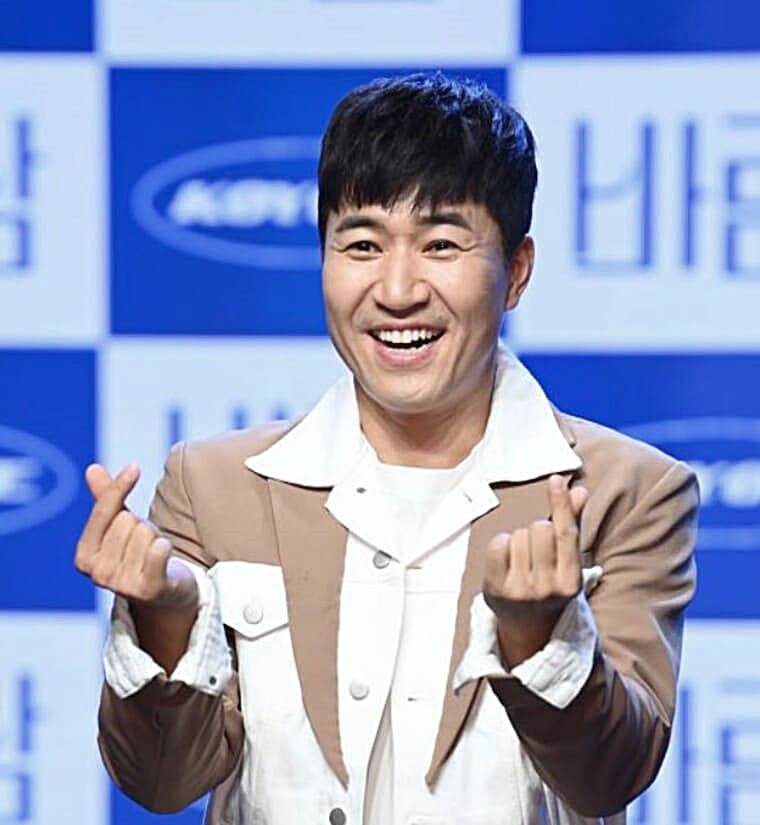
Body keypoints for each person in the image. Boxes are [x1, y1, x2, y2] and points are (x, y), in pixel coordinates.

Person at [75, 73, 699, 825]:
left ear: (516, 272)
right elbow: (161, 781)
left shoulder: (627, 489)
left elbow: (611, 777)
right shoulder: (211, 486)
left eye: (441, 245)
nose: (398, 290)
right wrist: (165, 621)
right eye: (363, 245)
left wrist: (540, 640)